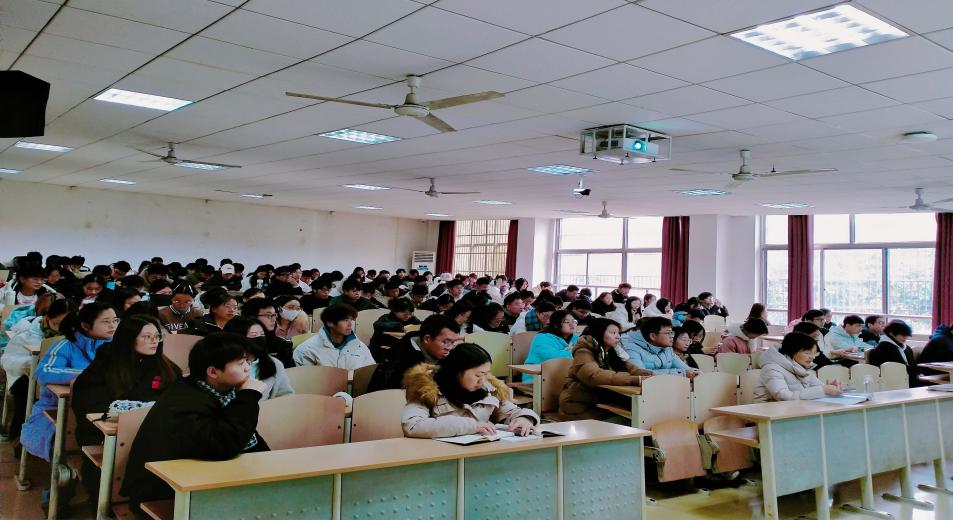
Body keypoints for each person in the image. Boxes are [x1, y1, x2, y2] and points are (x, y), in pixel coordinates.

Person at [121, 333, 269, 514]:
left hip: (199, 481)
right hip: (164, 492)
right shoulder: (184, 402)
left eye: (247, 361)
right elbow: (224, 444)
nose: (247, 368)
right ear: (213, 372)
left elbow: (243, 436)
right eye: (240, 363)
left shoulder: (218, 391)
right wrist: (248, 396)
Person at [71, 315, 180, 500]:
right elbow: (91, 409)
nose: (154, 341)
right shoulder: (105, 367)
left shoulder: (166, 367)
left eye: (157, 336)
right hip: (107, 436)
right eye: (146, 337)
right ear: (129, 339)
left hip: (155, 435)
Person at [21, 303, 117, 466]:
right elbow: (44, 371)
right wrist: (87, 375)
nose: (112, 325)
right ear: (85, 325)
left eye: (115, 320)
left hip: (102, 409)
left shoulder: (116, 347)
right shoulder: (66, 345)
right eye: (106, 321)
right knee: (64, 441)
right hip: (58, 407)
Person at [401, 343, 538, 438]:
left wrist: (524, 419)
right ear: (457, 372)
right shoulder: (426, 391)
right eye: (478, 375)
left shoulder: (488, 389)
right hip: (440, 456)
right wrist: (472, 426)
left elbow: (511, 411)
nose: (482, 380)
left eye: (485, 374)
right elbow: (413, 425)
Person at [559, 318, 652, 422]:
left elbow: (629, 368)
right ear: (599, 333)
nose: (618, 337)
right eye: (613, 333)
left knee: (642, 415)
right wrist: (632, 380)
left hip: (602, 403)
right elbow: (593, 375)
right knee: (632, 421)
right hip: (579, 406)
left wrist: (649, 375)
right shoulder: (583, 351)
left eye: (618, 333)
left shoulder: (609, 352)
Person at [2, 298, 68, 441]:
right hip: (25, 375)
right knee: (26, 390)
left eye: (67, 324)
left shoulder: (75, 336)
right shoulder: (28, 332)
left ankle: (56, 440)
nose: (62, 328)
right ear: (47, 318)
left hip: (58, 378)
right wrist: (31, 363)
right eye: (57, 323)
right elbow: (7, 361)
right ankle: (20, 436)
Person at [368, 314, 461, 392]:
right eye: (446, 342)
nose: (449, 348)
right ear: (427, 339)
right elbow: (391, 397)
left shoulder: (449, 357)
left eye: (453, 342)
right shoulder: (397, 360)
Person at [754, 332, 844, 402]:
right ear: (792, 351)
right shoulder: (772, 369)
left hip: (794, 410)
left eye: (814, 353)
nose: (812, 357)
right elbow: (783, 397)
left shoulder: (802, 366)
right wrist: (823, 390)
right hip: (768, 413)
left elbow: (818, 387)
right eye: (807, 353)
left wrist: (830, 388)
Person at [223, 317, 294, 400]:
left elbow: (286, 395)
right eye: (254, 335)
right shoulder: (224, 366)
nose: (259, 338)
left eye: (262, 335)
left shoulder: (274, 363)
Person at [292, 304, 375, 369]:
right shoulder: (306, 350)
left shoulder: (360, 346)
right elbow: (307, 381)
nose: (350, 324)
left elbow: (370, 372)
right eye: (345, 320)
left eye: (352, 320)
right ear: (330, 323)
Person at [622, 316, 699, 377]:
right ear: (653, 336)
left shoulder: (667, 348)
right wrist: (680, 373)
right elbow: (642, 374)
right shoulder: (632, 349)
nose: (672, 336)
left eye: (672, 333)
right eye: (668, 333)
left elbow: (684, 368)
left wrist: (695, 372)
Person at [523, 310, 579, 383]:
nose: (572, 324)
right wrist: (575, 353)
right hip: (538, 377)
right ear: (556, 325)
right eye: (566, 322)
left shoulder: (575, 338)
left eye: (574, 321)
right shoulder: (542, 338)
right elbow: (553, 357)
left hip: (561, 375)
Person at [868, 321, 924, 386]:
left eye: (906, 335)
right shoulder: (884, 348)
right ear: (891, 333)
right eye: (902, 335)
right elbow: (893, 370)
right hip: (893, 383)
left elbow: (913, 366)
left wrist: (919, 374)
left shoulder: (906, 348)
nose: (905, 337)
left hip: (907, 380)